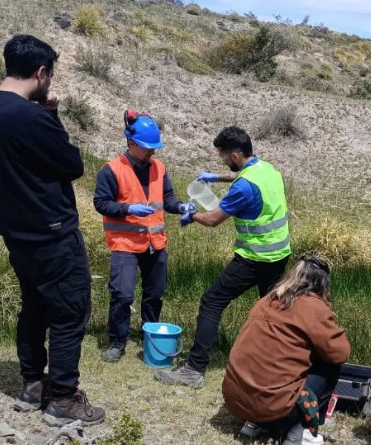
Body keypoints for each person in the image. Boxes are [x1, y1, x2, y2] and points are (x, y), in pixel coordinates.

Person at [0, 34, 104, 426]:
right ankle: (63, 398)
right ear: (41, 72)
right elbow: (71, 164)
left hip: (18, 234)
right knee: (69, 312)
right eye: (49, 76)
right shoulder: (31, 116)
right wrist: (52, 114)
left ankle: (33, 385)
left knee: (33, 308)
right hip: (52, 233)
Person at [154, 126, 291, 388]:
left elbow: (213, 219)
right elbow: (245, 178)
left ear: (236, 155)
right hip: (280, 255)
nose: (223, 161)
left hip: (255, 257)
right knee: (273, 311)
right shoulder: (268, 170)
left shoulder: (243, 188)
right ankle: (277, 367)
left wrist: (190, 215)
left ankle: (194, 370)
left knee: (212, 302)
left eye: (224, 157)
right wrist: (215, 178)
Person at [93, 110, 195, 362]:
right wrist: (128, 208)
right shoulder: (112, 170)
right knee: (123, 294)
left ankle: (151, 333)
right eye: (147, 147)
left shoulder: (159, 168)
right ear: (130, 142)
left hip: (155, 244)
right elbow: (101, 203)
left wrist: (181, 206)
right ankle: (117, 341)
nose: (152, 152)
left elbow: (167, 198)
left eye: (154, 147)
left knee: (154, 293)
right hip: (125, 244)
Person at [221, 255, 350, 444]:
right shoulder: (314, 306)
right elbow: (340, 352)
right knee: (330, 364)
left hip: (236, 403)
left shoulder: (266, 300)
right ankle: (302, 430)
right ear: (322, 284)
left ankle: (254, 424)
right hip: (275, 412)